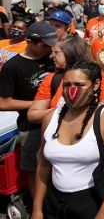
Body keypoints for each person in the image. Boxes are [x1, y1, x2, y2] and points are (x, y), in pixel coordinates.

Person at [32, 61, 104, 219]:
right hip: (54, 203)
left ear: (96, 85)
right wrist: (37, 209)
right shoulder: (50, 118)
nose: (72, 91)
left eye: (79, 84)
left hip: (94, 203)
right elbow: (43, 165)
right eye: (67, 85)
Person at [0, 21, 56, 195]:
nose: (49, 49)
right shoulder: (12, 67)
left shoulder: (52, 59)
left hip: (56, 121)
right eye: (45, 45)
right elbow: (3, 103)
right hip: (30, 127)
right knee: (34, 168)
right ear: (30, 41)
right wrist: (38, 106)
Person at [28, 35, 104, 125]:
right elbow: (33, 115)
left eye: (56, 52)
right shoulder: (52, 78)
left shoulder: (100, 78)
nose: (51, 56)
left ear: (71, 53)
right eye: (67, 85)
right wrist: (64, 111)